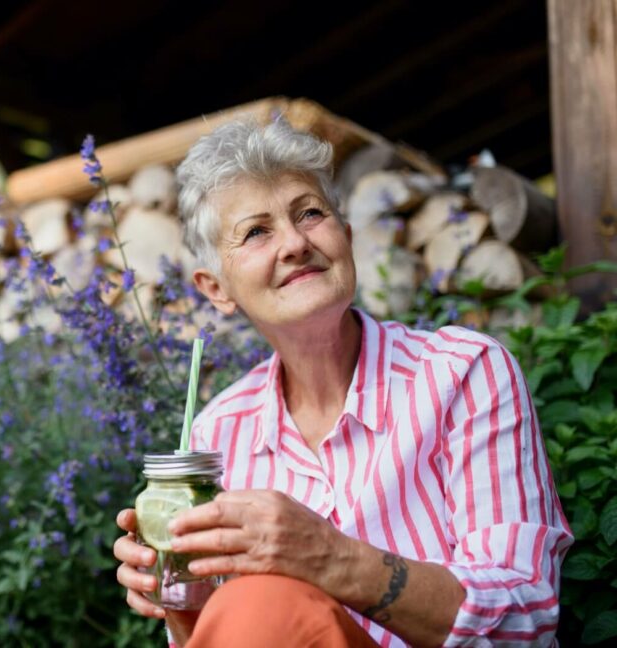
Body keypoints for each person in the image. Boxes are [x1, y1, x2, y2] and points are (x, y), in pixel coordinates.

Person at [112, 118, 573, 647]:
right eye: (257, 231)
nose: (294, 243)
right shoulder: (216, 435)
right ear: (216, 288)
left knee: (265, 600)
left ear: (346, 238)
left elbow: (526, 619)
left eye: (310, 213)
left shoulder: (463, 373)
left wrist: (331, 557)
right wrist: (182, 601)